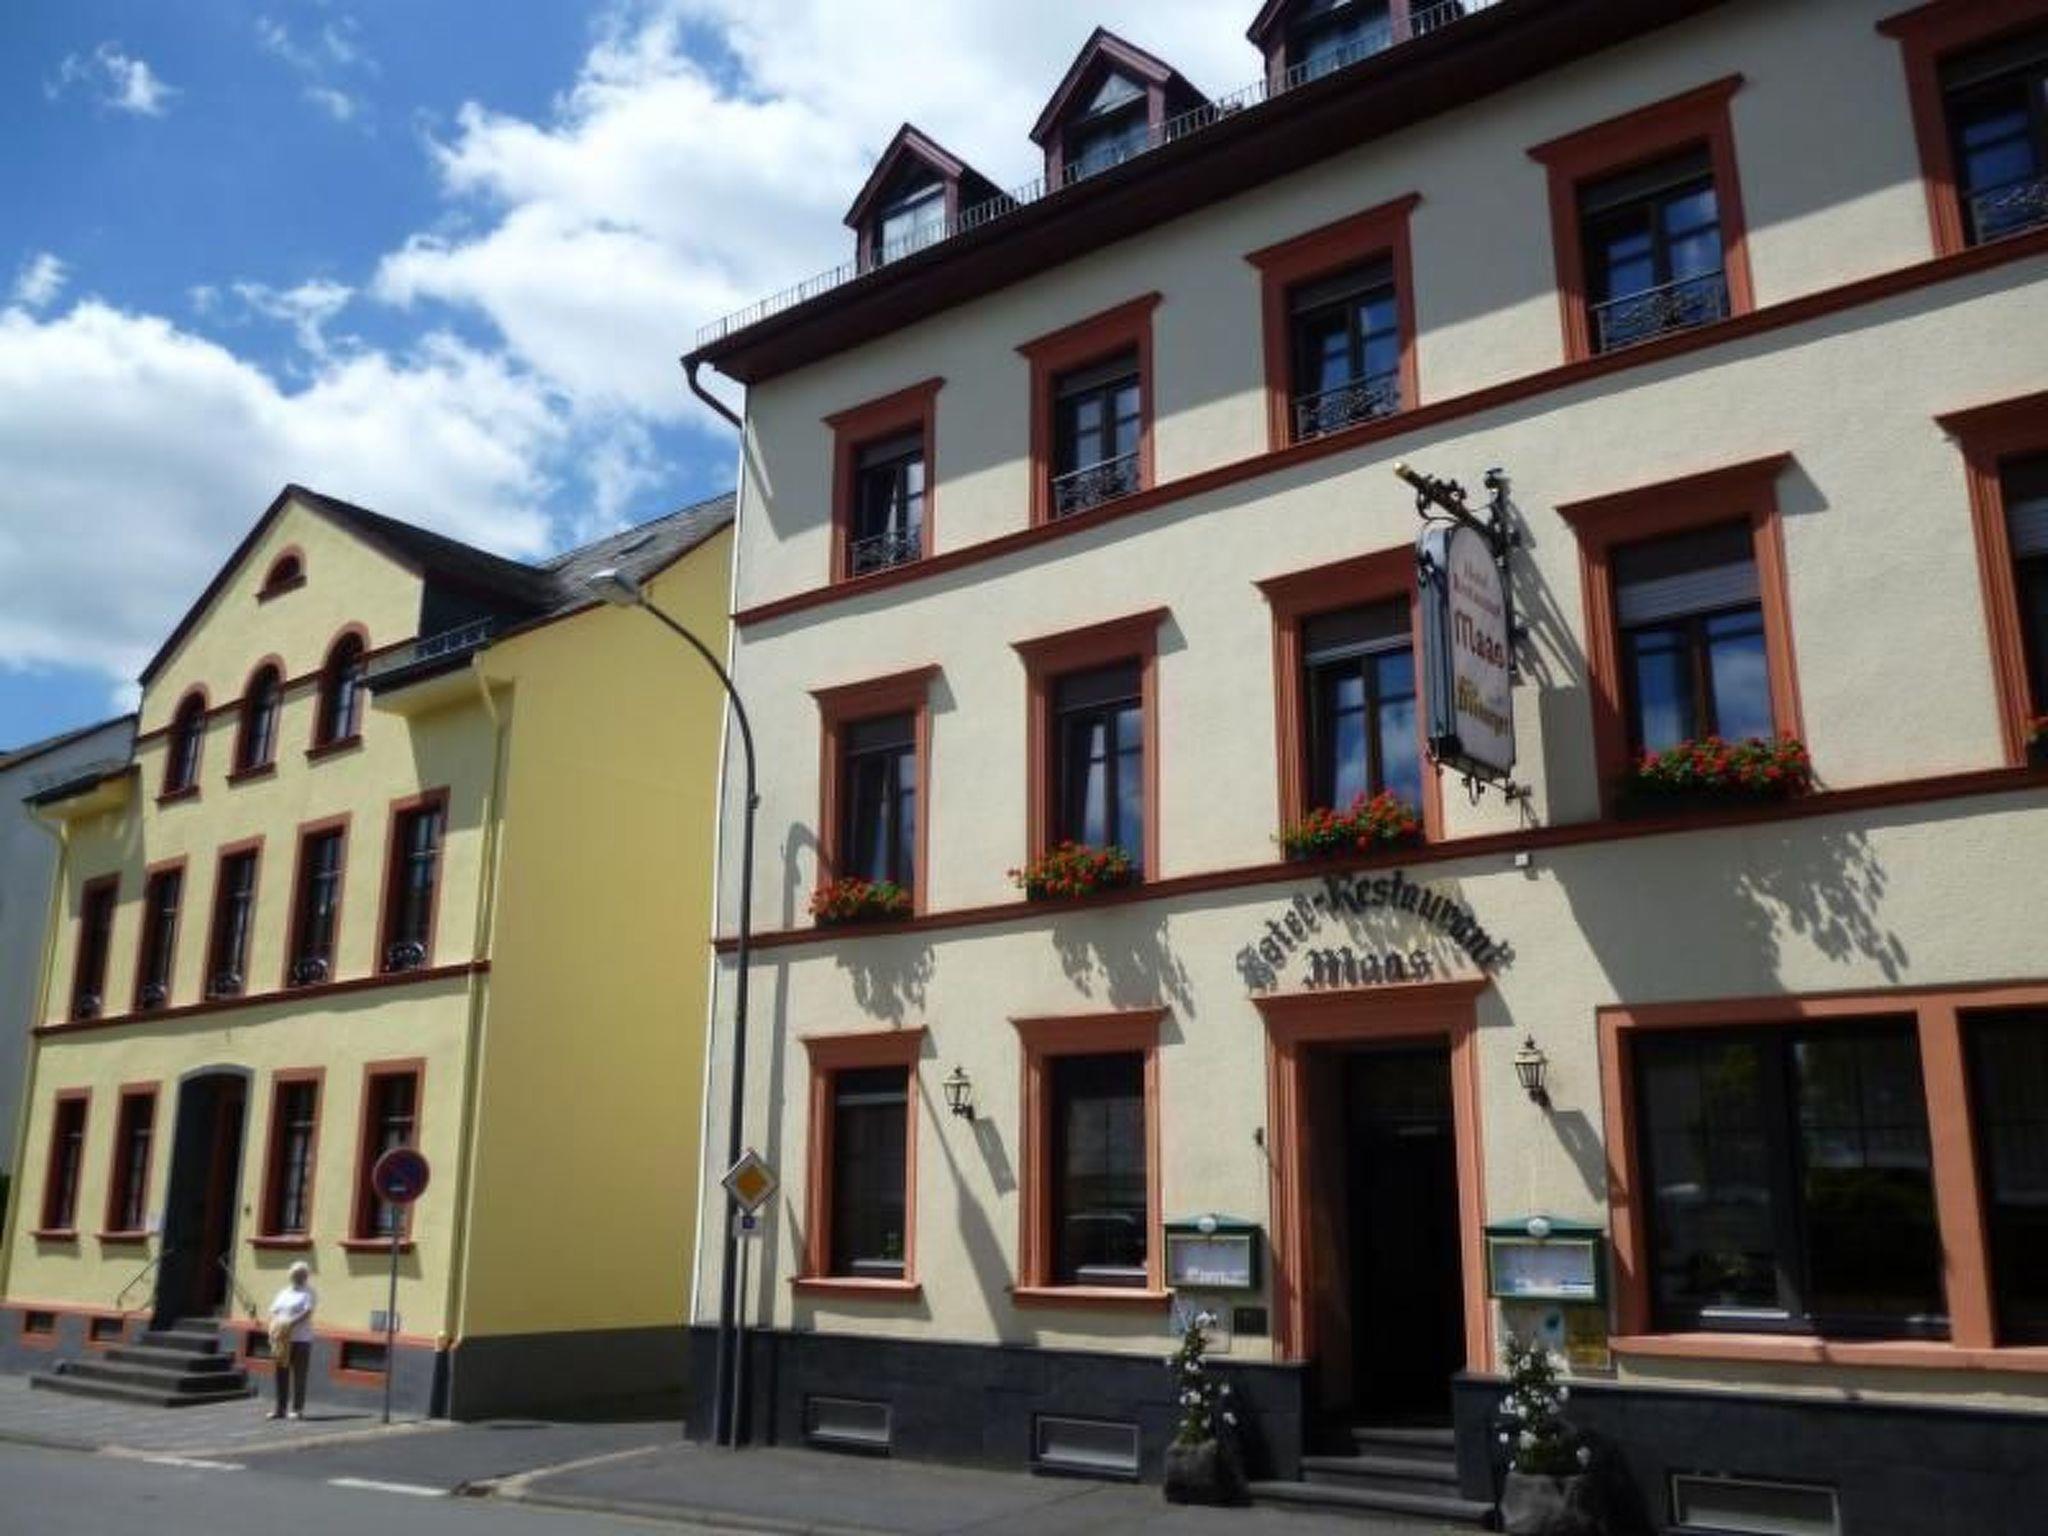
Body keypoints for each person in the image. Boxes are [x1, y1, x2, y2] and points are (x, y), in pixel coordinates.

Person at [267, 1261, 316, 1421]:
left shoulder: (308, 1292)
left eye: (302, 1274)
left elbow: (307, 1312)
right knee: (281, 1373)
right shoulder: (284, 1292)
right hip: (282, 1340)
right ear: (291, 1275)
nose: (298, 1277)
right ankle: (280, 1409)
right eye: (295, 1274)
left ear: (306, 1276)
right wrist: (275, 1326)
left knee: (299, 1374)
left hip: (301, 1340)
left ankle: (297, 1409)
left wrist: (289, 1323)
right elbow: (273, 1310)